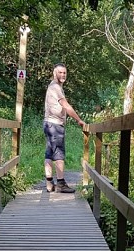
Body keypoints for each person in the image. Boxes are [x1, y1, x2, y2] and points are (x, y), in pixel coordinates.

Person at [43, 63, 86, 193]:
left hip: (48, 123)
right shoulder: (55, 87)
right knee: (59, 154)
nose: (63, 75)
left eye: (64, 73)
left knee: (49, 153)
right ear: (54, 73)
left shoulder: (53, 86)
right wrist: (79, 120)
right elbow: (66, 106)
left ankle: (49, 183)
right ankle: (61, 184)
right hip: (55, 125)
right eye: (60, 72)